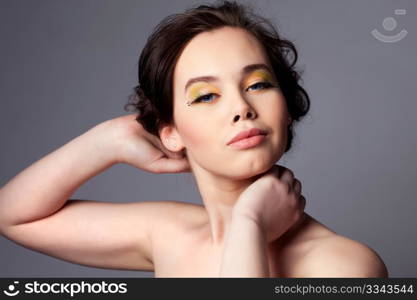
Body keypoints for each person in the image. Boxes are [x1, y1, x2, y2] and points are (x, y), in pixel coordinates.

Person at [0, 0, 388, 277]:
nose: (241, 107)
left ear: (285, 107)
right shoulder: (169, 235)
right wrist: (109, 139)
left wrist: (249, 224)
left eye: (258, 84)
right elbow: (13, 216)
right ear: (170, 132)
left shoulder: (345, 266)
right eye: (206, 95)